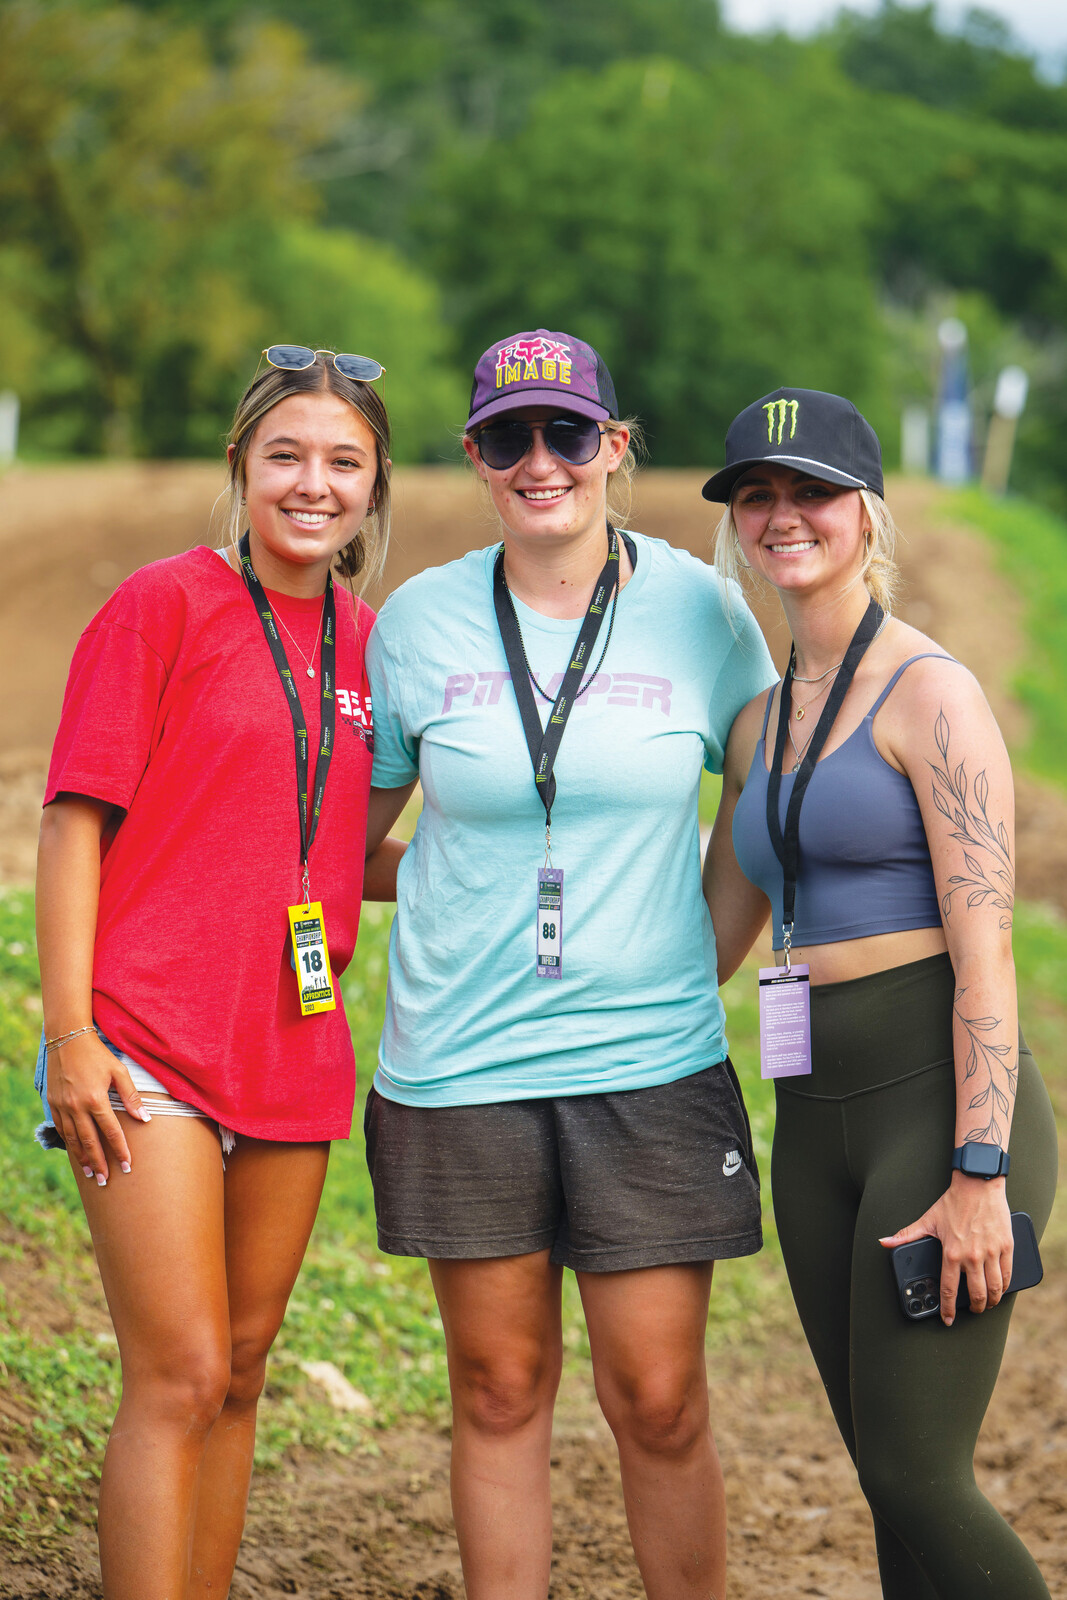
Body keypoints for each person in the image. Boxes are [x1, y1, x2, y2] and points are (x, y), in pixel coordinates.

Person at [360, 328, 777, 1600]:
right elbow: (347, 843)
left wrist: (697, 951)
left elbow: (760, 799)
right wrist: (455, 884)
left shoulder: (703, 613)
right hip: (461, 1066)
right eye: (507, 437)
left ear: (614, 445)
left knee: (658, 1397)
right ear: (476, 457)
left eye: (566, 432)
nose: (538, 460)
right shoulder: (417, 621)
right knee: (498, 1389)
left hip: (648, 1066)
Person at [34, 346, 403, 1600]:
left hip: (293, 1046)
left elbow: (336, 845)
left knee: (242, 1370)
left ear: (374, 484)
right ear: (241, 465)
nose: (313, 484)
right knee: (180, 1372)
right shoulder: (164, 605)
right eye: (285, 455)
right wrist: (69, 1031)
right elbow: (72, 824)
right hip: (146, 1039)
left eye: (342, 461)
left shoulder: (370, 646)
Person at [702, 387, 1058, 1599]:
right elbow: (707, 942)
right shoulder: (754, 727)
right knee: (881, 1478)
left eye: (811, 491)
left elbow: (985, 953)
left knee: (918, 1475)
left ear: (864, 512)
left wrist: (978, 1169)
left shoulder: (928, 693)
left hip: (935, 1107)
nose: (782, 515)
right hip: (811, 1117)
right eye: (757, 494)